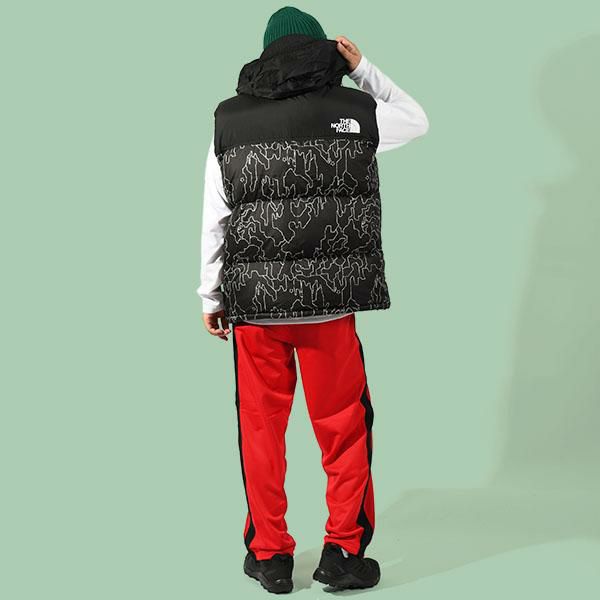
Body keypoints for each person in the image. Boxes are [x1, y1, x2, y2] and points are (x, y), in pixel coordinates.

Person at [197, 6, 429, 594]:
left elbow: (215, 214)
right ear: (322, 51)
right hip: (330, 307)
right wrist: (364, 68)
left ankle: (270, 557)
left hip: (257, 309)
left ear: (265, 56)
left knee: (261, 431)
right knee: (344, 428)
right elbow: (416, 120)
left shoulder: (230, 118)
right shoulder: (355, 110)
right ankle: (342, 554)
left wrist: (210, 293)